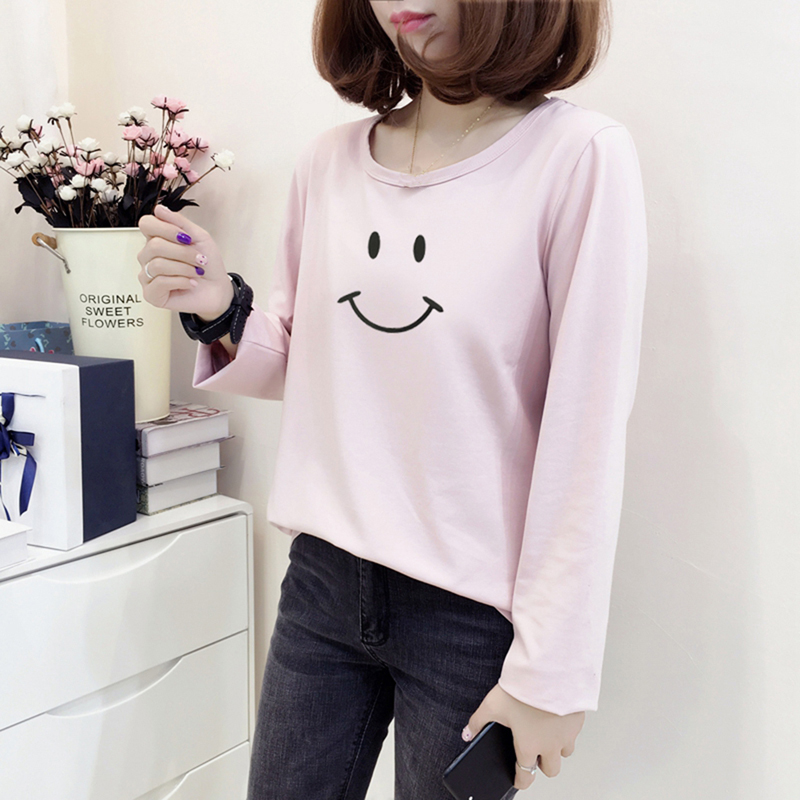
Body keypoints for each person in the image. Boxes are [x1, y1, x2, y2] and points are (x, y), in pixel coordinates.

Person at [136, 0, 648, 797]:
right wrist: (219, 308)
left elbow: (586, 431)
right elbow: (312, 362)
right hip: (322, 582)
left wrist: (551, 673)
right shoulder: (330, 162)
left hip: (469, 611)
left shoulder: (577, 158)